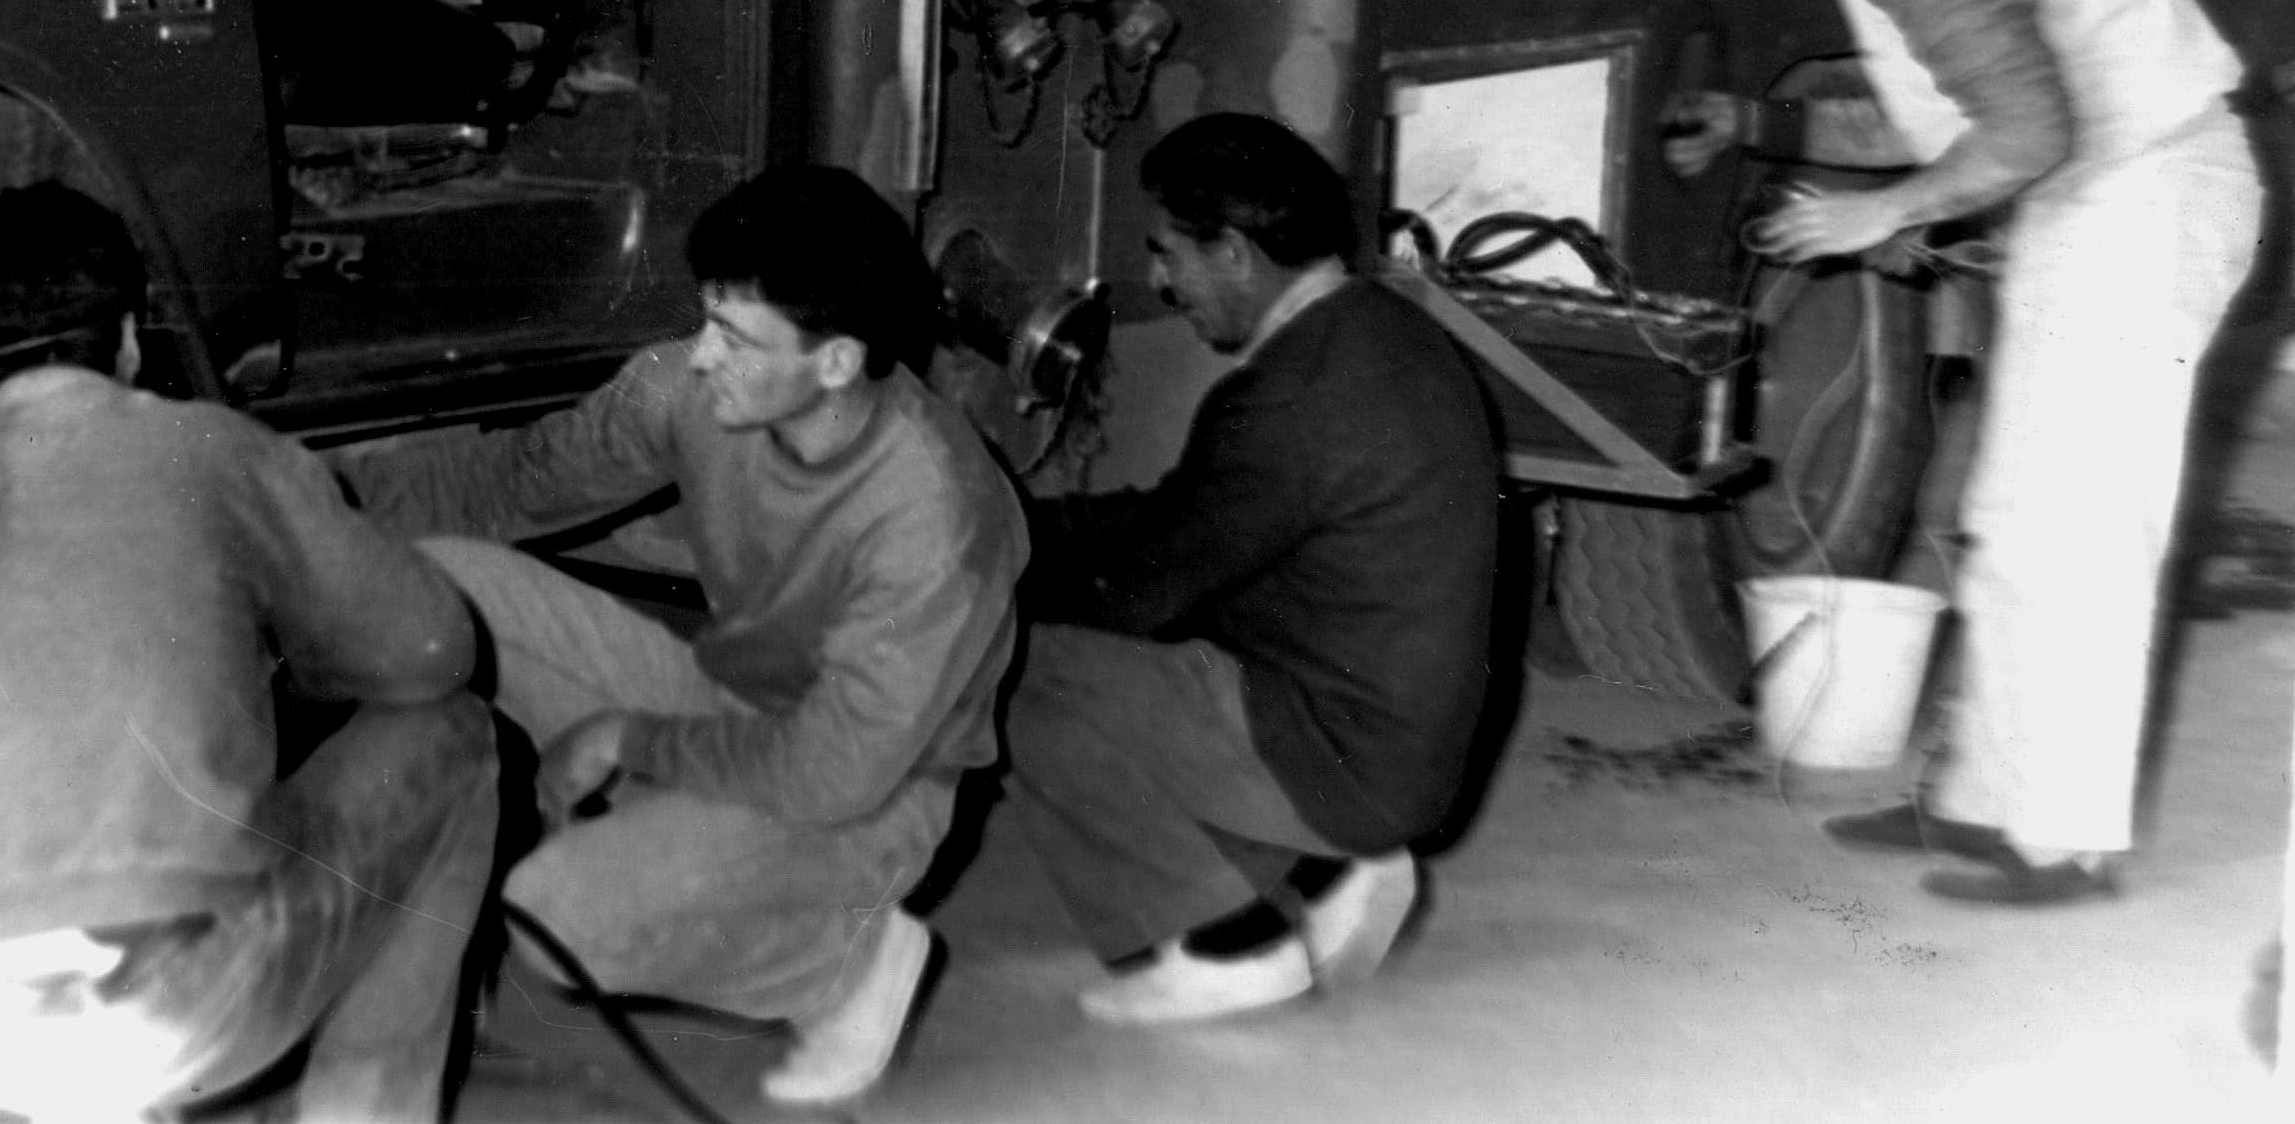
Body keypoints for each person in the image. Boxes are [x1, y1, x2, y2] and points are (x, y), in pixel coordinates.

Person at [1642, 0, 2253, 904]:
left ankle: (2061, 836)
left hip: (2149, 191)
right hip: (2106, 193)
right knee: (2013, 512)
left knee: (2079, 529)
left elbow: (2024, 132)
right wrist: (1754, 120)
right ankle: (1985, 800)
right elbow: (1939, 125)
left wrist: (1885, 213)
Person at [340, 165, 1020, 1109]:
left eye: (734, 337)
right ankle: (671, 832)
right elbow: (518, 478)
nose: (699, 355)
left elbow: (834, 770)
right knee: (437, 579)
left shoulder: (936, 514)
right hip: (731, 699)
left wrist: (629, 740)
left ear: (833, 362)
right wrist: (314, 510)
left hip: (874, 787)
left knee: (552, 916)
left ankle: (844, 966)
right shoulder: (690, 386)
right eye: (706, 318)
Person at [0, 183, 496, 1124]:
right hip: (174, 1008)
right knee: (460, 739)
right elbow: (432, 651)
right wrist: (304, 659)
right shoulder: (205, 444)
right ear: (128, 340)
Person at [1004, 112, 1500, 1024]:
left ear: (1232, 251)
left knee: (1021, 667)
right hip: (1394, 738)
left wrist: (968, 587)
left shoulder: (1289, 395)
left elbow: (1142, 595)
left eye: (1167, 254)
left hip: (1354, 759)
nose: (1158, 281)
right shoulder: (1383, 331)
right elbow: (1181, 511)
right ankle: (1322, 874)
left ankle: (1233, 941)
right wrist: (1013, 527)